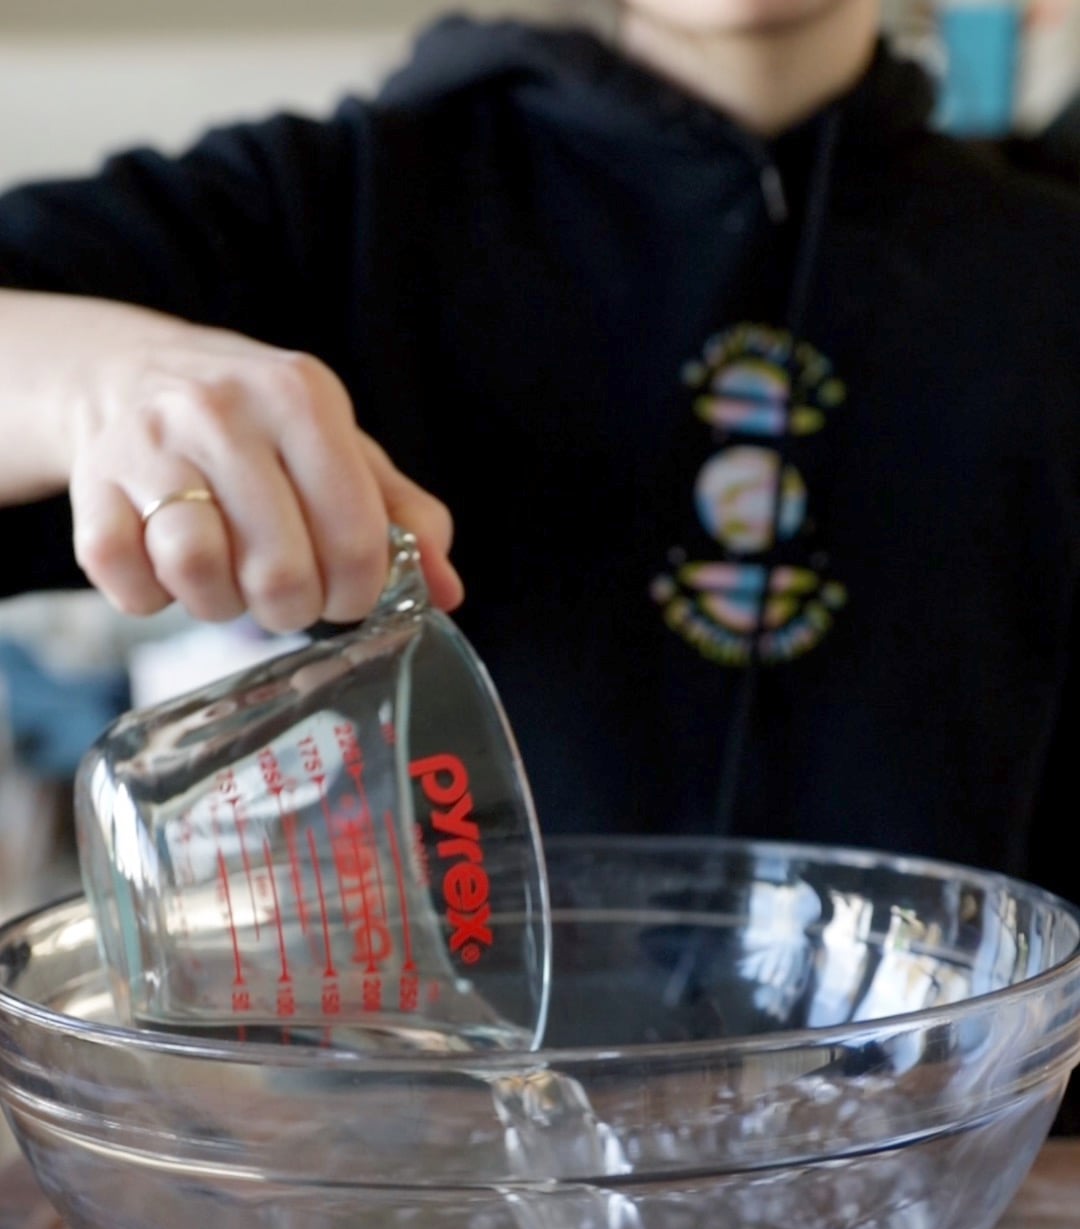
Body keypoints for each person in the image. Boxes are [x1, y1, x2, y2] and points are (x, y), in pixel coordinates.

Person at [0, 0, 1079, 893]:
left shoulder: (1044, 265)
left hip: (968, 1134)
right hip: (437, 1131)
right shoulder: (333, 207)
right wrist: (99, 382)